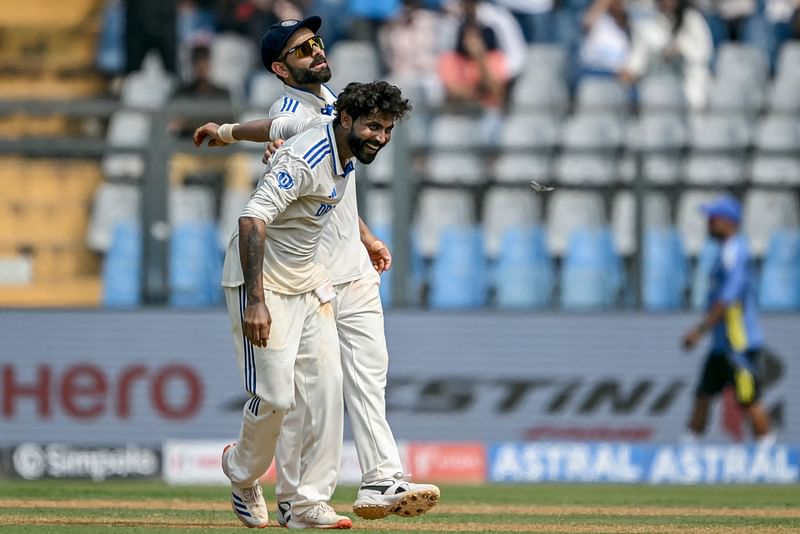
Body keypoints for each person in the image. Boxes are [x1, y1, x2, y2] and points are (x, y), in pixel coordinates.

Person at [194, 17, 441, 525]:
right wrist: (226, 132)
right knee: (288, 400)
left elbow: (335, 185)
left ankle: (349, 489)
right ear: (281, 69)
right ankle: (255, 478)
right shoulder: (295, 108)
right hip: (292, 273)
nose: (315, 51)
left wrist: (366, 234)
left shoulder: (336, 106)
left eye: (316, 43)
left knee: (342, 385)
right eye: (302, 49)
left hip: (329, 271)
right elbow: (276, 136)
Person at [219, 80, 412, 529]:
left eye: (387, 129)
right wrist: (255, 301)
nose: (380, 138)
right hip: (261, 282)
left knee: (327, 388)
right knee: (276, 399)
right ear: (346, 120)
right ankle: (241, 471)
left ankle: (308, 504)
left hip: (308, 283)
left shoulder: (342, 149)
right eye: (373, 127)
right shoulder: (307, 157)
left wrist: (365, 240)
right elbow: (252, 218)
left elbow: (273, 129)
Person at [681, 195, 774, 443]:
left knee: (749, 399)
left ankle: (769, 452)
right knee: (703, 395)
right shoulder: (725, 252)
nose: (709, 223)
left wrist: (699, 330)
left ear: (728, 221)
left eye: (714, 218)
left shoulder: (735, 252)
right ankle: (688, 450)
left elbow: (728, 298)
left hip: (739, 345)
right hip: (723, 345)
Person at [620, 0, 712, 110]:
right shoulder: (649, 25)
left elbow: (704, 52)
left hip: (690, 83)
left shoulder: (693, 19)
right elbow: (637, 59)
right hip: (657, 86)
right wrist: (630, 70)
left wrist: (681, 49)